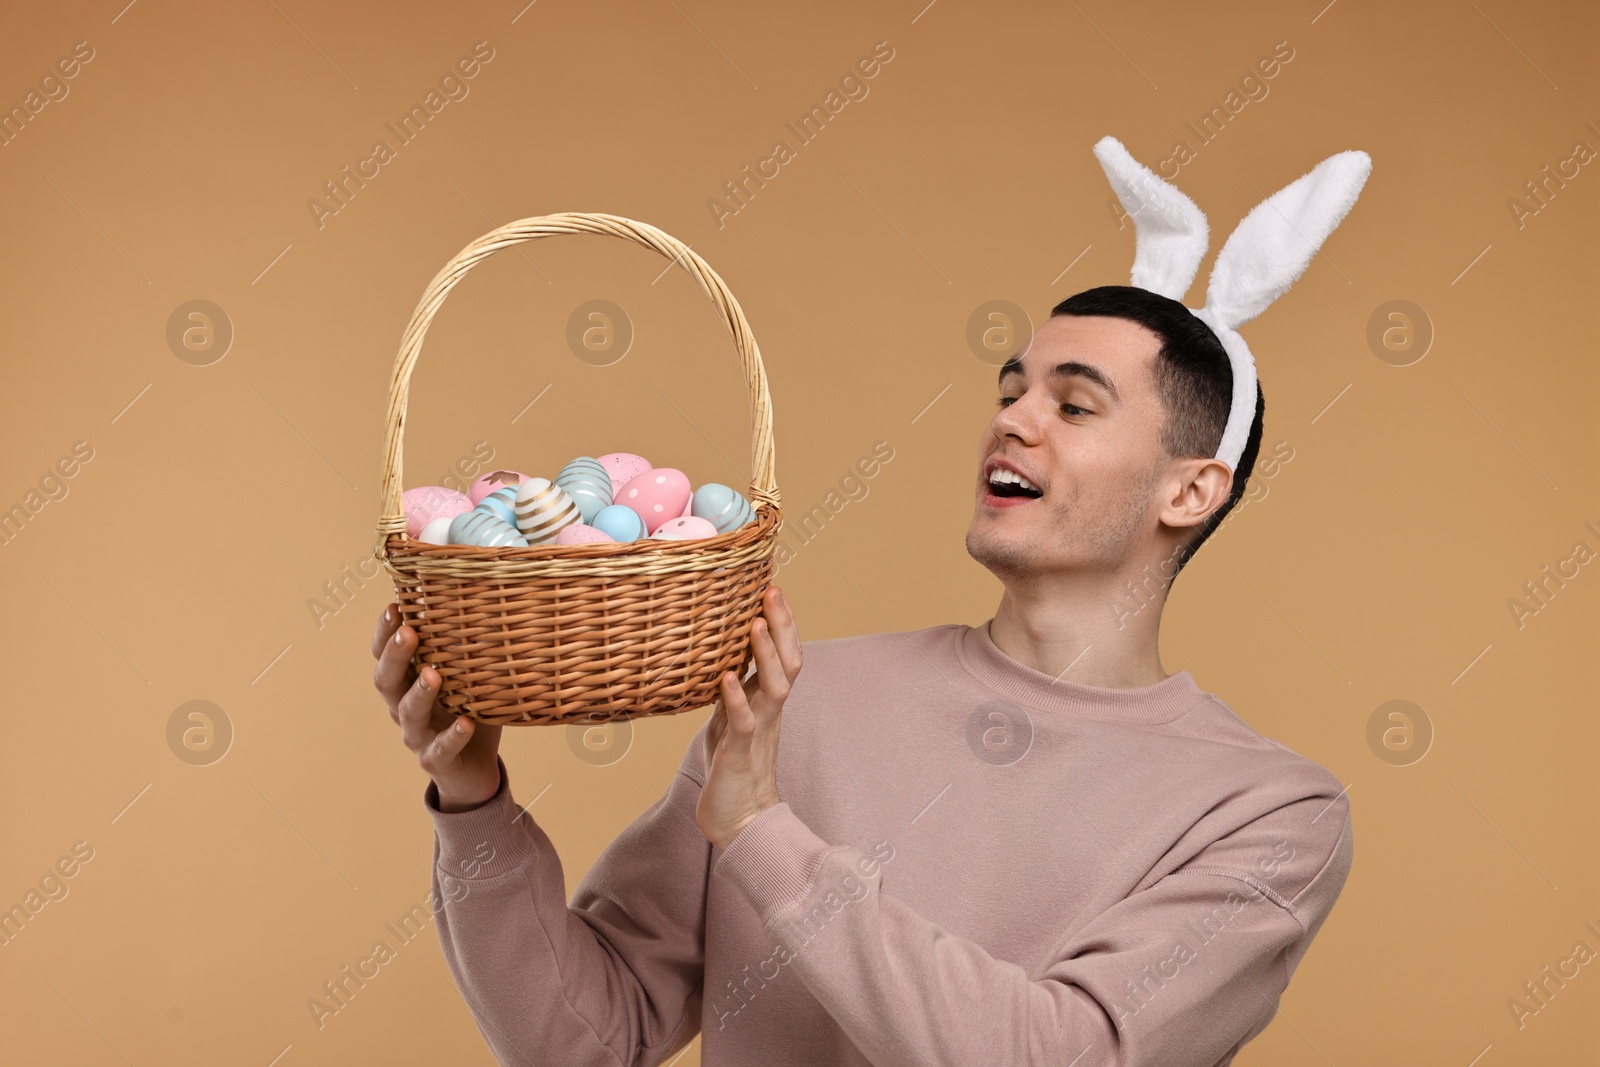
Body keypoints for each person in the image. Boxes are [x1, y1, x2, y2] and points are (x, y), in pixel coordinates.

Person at [370, 283, 1355, 1065]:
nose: (1013, 421)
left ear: (1189, 488)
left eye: (1073, 404)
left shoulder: (1268, 813)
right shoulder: (800, 698)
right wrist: (473, 799)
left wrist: (761, 831)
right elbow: (583, 1040)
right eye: (1010, 391)